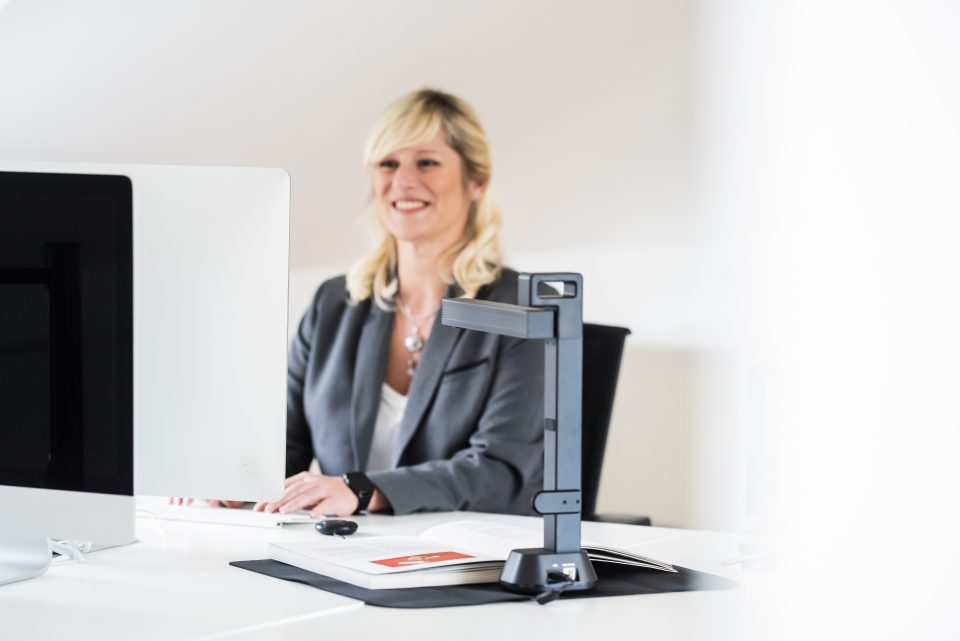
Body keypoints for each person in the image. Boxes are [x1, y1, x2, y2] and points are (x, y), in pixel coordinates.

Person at [255, 89, 544, 517]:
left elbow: (500, 470)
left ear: (476, 180)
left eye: (427, 162)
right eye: (388, 164)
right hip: (342, 554)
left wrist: (361, 490)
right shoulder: (334, 303)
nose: (404, 181)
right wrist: (234, 484)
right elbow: (283, 448)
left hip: (469, 561)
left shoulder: (519, 308)